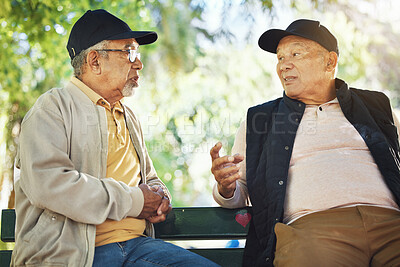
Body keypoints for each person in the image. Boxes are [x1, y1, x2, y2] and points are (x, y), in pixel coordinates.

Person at [12, 9, 218, 267]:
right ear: (95, 61)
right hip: (75, 256)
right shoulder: (52, 109)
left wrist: (159, 197)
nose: (139, 63)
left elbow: (149, 178)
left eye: (137, 54)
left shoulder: (128, 115)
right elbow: (50, 184)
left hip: (138, 247)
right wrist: (135, 201)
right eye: (129, 52)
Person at [210, 19, 400, 266]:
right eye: (279, 58)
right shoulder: (260, 119)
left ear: (329, 61)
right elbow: (241, 192)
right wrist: (226, 187)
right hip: (313, 231)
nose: (283, 65)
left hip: (392, 225)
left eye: (295, 54)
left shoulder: (376, 106)